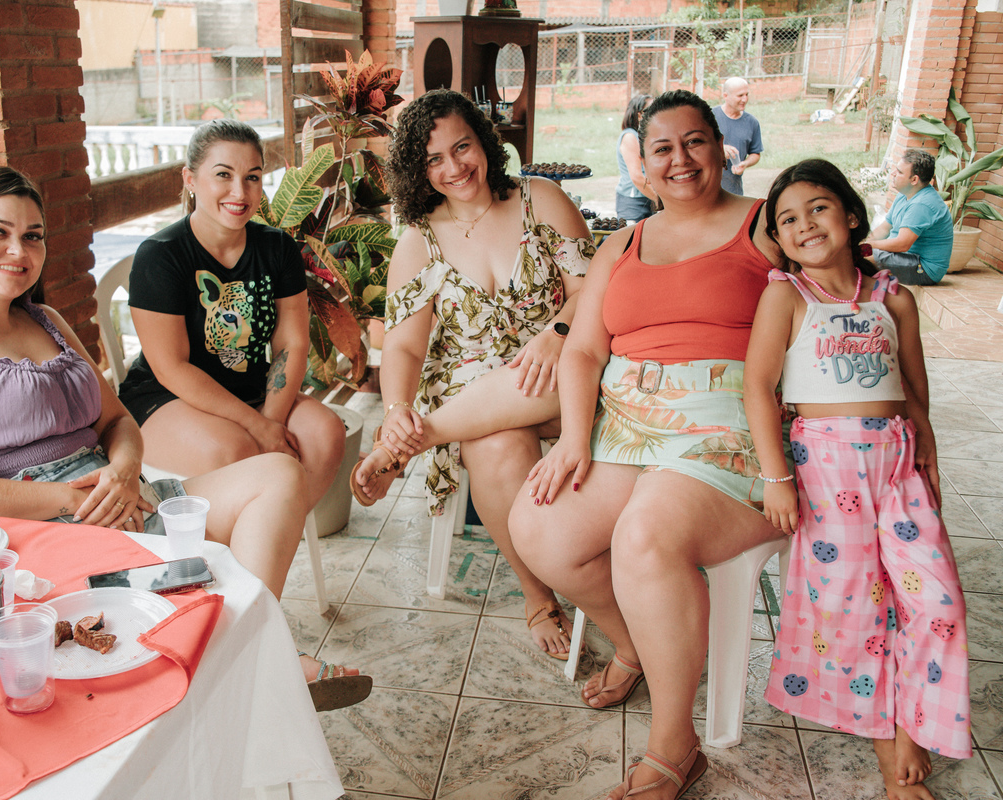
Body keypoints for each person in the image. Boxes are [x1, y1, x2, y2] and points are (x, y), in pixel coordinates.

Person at [0, 165, 370, 712]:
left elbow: (117, 423)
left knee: (278, 474)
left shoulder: (45, 320)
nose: (19, 249)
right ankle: (258, 659)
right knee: (232, 522)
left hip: (120, 499)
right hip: (38, 536)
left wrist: (123, 471)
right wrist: (72, 498)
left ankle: (235, 656)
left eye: (33, 235)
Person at [509, 90, 787, 800]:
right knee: (538, 525)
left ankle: (675, 742)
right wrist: (575, 438)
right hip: (628, 425)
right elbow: (582, 352)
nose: (680, 159)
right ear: (641, 162)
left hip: (729, 428)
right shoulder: (622, 243)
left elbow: (847, 292)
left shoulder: (764, 226)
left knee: (644, 538)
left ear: (721, 147)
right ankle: (635, 643)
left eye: (695, 141)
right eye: (661, 147)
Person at [747, 159, 968, 800]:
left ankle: (917, 718)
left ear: (850, 213)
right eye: (787, 218)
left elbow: (914, 387)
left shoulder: (894, 298)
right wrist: (776, 476)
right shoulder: (785, 296)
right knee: (857, 609)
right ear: (780, 240)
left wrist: (926, 441)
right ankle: (893, 744)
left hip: (898, 465)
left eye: (817, 207)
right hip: (825, 467)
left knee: (938, 602)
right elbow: (759, 389)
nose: (804, 224)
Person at [350, 88, 595, 661]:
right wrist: (395, 410)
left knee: (512, 393)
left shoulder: (542, 201)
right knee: (493, 446)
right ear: (418, 169)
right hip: (474, 396)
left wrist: (555, 334)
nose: (454, 167)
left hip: (563, 372)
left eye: (462, 147)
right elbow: (405, 348)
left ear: (485, 141)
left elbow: (593, 291)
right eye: (433, 159)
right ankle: (538, 595)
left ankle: (411, 445)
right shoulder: (420, 240)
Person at [117, 119, 345, 512]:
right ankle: (231, 561)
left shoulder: (278, 249)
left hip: (255, 392)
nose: (240, 192)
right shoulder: (161, 255)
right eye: (223, 174)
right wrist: (258, 428)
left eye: (252, 177)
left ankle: (266, 555)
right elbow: (171, 368)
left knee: (326, 434)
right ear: (190, 178)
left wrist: (270, 421)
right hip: (167, 400)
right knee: (236, 450)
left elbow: (292, 342)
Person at [865, 149, 954, 286]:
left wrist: (866, 246)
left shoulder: (922, 204)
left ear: (914, 180)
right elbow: (884, 229)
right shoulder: (904, 194)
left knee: (862, 258)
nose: (893, 173)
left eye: (899, 172)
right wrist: (861, 242)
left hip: (924, 268)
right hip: (906, 258)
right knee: (856, 254)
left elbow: (902, 244)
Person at [713, 77, 763, 196]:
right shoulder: (710, 117)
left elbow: (755, 153)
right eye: (740, 95)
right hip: (708, 188)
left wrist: (744, 164)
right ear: (725, 96)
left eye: (747, 94)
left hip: (733, 190)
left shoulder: (752, 122)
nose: (745, 99)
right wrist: (719, 149)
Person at [616, 93, 657, 222]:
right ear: (639, 115)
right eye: (652, 110)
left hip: (649, 197)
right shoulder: (630, 136)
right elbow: (637, 177)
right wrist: (659, 200)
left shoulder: (646, 136)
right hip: (634, 201)